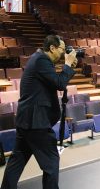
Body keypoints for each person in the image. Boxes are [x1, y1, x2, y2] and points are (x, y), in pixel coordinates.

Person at [1, 35, 77, 189]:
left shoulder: (39, 59)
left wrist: (70, 67)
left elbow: (55, 81)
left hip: (27, 121)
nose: (63, 54)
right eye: (62, 50)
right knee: (51, 162)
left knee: (18, 160)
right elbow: (60, 83)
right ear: (52, 48)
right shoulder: (42, 61)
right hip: (36, 123)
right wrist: (68, 64)